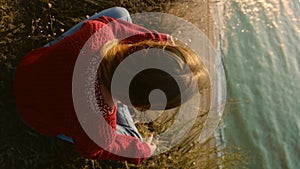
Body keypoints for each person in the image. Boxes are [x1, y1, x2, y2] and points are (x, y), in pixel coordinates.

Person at [14, 7, 210, 165]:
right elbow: (91, 150)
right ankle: (132, 123)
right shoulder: (100, 128)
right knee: (134, 139)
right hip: (32, 114)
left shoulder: (96, 33)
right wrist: (143, 151)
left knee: (120, 15)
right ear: (139, 104)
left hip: (29, 68)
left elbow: (118, 29)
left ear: (139, 47)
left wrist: (160, 40)